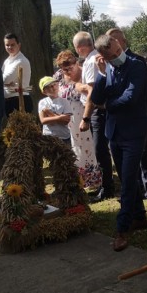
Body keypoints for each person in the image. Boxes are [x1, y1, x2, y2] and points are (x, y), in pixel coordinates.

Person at [92, 34, 147, 252]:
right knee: (131, 178)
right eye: (111, 56)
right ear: (103, 57)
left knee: (126, 181)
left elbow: (131, 97)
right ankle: (139, 217)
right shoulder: (106, 69)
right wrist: (100, 76)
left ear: (120, 44)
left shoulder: (136, 65)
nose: (117, 57)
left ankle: (122, 229)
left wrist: (108, 106)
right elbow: (96, 99)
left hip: (134, 132)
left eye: (118, 51)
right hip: (114, 133)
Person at [106, 28, 147, 211]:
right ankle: (135, 200)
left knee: (144, 157)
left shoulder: (136, 61)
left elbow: (139, 92)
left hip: (137, 118)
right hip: (119, 124)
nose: (112, 43)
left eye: (114, 40)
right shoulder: (108, 65)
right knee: (128, 167)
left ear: (122, 40)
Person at [74, 31, 115, 202]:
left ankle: (107, 188)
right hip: (100, 110)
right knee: (102, 150)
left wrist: (85, 117)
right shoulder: (92, 59)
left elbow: (92, 91)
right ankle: (106, 185)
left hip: (97, 110)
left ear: (80, 48)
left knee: (100, 150)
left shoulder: (91, 61)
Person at [53, 50, 102, 190]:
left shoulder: (84, 73)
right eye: (64, 69)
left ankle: (93, 180)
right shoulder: (58, 76)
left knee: (87, 145)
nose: (67, 71)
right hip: (67, 117)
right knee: (74, 146)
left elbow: (91, 93)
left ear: (76, 63)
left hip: (83, 113)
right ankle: (78, 178)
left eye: (70, 68)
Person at [2, 33, 33, 115]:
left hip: (20, 100)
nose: (10, 47)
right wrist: (6, 84)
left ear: (19, 45)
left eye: (12, 45)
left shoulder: (21, 61)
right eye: (7, 45)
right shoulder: (7, 61)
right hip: (10, 101)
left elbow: (4, 79)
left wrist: (6, 84)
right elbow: (2, 80)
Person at [38, 76, 72, 145]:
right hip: (49, 136)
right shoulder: (43, 102)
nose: (53, 87)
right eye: (49, 86)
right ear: (44, 91)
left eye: (55, 84)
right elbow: (43, 120)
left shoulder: (65, 102)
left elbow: (66, 121)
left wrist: (48, 113)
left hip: (64, 137)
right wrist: (60, 117)